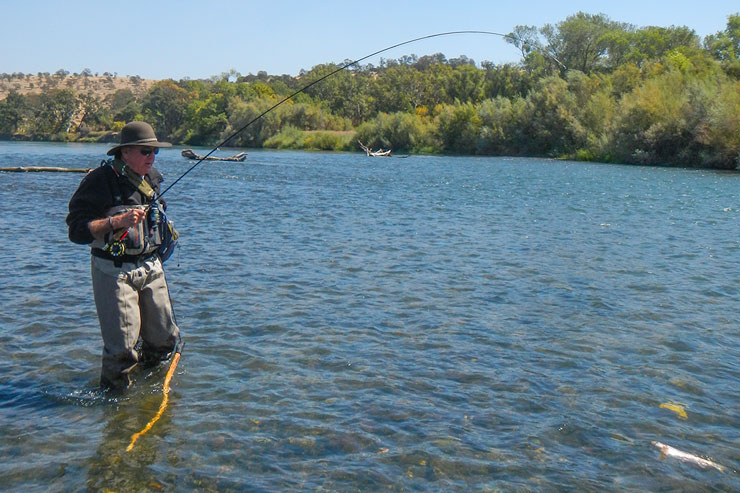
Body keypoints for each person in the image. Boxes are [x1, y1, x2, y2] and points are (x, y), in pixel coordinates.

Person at [67, 121, 180, 390]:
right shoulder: (98, 181)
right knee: (121, 351)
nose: (151, 157)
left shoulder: (152, 178)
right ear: (125, 152)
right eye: (145, 151)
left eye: (155, 152)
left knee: (165, 339)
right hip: (114, 271)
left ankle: (151, 392)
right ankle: (115, 405)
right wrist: (115, 223)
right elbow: (76, 231)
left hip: (152, 266)